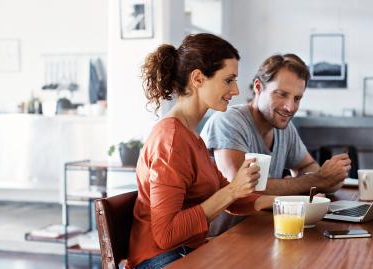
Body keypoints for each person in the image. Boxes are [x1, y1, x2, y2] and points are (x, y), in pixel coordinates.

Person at [127, 34, 274, 269]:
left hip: (186, 252)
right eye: (228, 80)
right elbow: (167, 234)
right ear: (198, 78)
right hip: (159, 260)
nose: (235, 90)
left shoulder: (190, 134)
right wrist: (233, 190)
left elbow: (232, 199)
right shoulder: (171, 141)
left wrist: (296, 205)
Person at [201, 54, 351, 235]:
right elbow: (242, 188)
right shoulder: (228, 121)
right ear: (258, 87)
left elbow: (307, 166)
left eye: (297, 98)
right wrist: (316, 180)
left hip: (263, 230)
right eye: (282, 94)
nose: (290, 107)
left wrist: (315, 181)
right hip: (222, 240)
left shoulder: (283, 127)